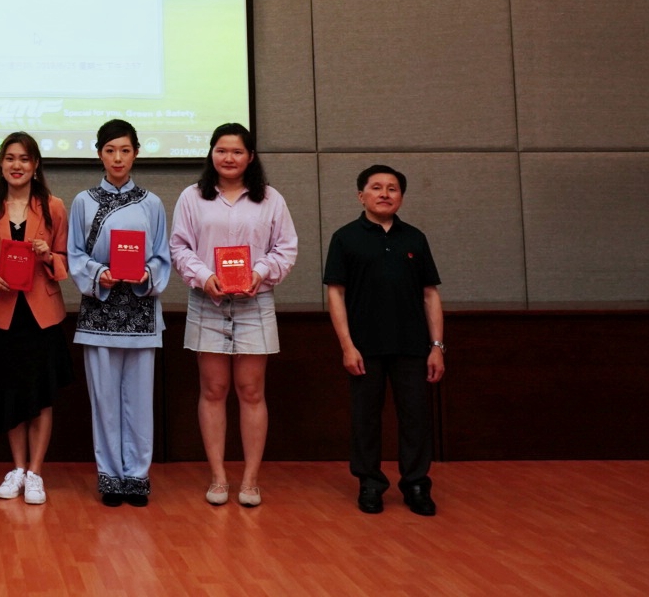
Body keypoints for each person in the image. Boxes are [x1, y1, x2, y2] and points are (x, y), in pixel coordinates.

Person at [169, 121, 298, 509]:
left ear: (251, 157)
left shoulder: (270, 199)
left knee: (251, 391)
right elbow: (179, 247)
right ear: (211, 153)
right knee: (213, 390)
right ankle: (219, 477)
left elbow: (286, 248)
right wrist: (204, 277)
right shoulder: (192, 197)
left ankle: (251, 480)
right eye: (221, 150)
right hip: (207, 301)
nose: (229, 158)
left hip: (255, 302)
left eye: (237, 151)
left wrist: (259, 272)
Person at [323, 164, 444, 516]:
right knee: (365, 419)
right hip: (364, 346)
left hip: (412, 345)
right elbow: (335, 294)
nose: (385, 194)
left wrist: (437, 347)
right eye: (376, 187)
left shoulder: (415, 238)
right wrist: (347, 345)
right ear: (361, 196)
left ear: (401, 197)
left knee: (416, 418)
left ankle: (416, 484)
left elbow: (430, 294)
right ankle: (370, 484)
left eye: (392, 188)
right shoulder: (345, 238)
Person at [68, 119, 171, 507]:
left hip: (141, 317)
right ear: (99, 154)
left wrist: (147, 273)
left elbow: (162, 256)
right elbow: (75, 254)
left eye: (125, 150)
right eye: (110, 150)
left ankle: (137, 477)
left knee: (140, 403)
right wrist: (99, 274)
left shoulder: (151, 203)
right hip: (99, 316)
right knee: (106, 404)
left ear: (136, 153)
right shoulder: (83, 201)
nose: (117, 158)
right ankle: (111, 477)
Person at [0, 132, 72, 505]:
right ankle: (17, 469)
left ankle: (35, 473)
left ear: (35, 165)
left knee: (41, 396)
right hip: (4, 313)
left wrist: (48, 255)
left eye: (24, 159)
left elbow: (65, 260)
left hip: (42, 315)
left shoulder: (53, 207)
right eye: (10, 158)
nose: (17, 165)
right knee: (10, 393)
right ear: (1, 163)